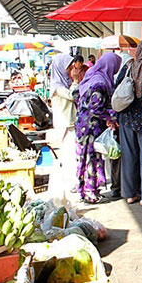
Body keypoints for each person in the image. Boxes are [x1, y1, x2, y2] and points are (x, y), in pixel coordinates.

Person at [75, 53, 122, 204]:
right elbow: (95, 107)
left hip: (83, 124)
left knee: (85, 157)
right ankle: (90, 192)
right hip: (89, 127)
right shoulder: (100, 83)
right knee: (90, 159)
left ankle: (87, 190)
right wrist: (112, 115)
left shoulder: (92, 75)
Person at [115, 39, 142, 206]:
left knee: (129, 156)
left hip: (126, 117)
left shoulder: (129, 66)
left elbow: (116, 87)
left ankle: (130, 194)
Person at [48, 53, 83, 203]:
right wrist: (75, 80)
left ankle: (74, 182)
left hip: (69, 123)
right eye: (68, 68)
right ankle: (71, 183)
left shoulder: (62, 83)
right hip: (64, 124)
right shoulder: (57, 87)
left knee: (71, 154)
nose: (71, 71)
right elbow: (73, 95)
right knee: (68, 155)